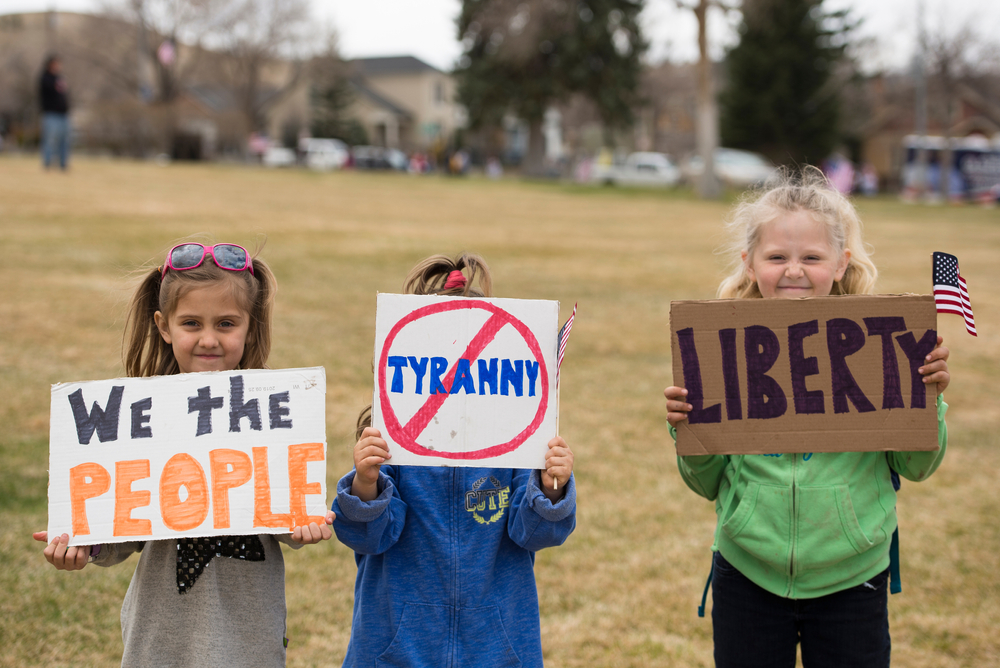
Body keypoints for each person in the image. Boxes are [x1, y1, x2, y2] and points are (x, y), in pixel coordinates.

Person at [664, 167, 951, 668]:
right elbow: (706, 484)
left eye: (811, 257)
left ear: (840, 264)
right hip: (747, 572)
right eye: (776, 257)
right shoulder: (723, 352)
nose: (793, 270)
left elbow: (916, 466)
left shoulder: (877, 346)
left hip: (852, 578)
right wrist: (690, 428)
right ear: (749, 264)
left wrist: (927, 400)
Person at [33, 242, 335, 667]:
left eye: (226, 323)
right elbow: (123, 526)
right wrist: (87, 543)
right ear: (163, 325)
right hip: (159, 638)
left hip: (250, 636)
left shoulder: (270, 411)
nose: (208, 339)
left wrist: (303, 524)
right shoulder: (142, 418)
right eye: (191, 323)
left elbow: (284, 515)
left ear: (251, 325)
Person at [333, 253, 576, 667]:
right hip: (396, 649)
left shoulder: (516, 445)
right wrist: (365, 483)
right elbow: (367, 537)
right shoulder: (392, 444)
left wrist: (550, 487)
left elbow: (534, 534)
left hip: (497, 651)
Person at [39, 55, 71, 171]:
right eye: (55, 64)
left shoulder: (59, 78)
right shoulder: (45, 78)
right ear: (50, 64)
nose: (58, 66)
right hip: (51, 114)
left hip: (63, 114)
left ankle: (63, 165)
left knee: (65, 140)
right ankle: (47, 164)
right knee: (50, 139)